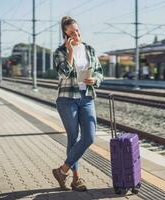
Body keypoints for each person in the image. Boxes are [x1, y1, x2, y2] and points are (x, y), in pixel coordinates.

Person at [52, 16, 103, 191]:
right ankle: (76, 179)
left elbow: (99, 72)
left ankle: (62, 170)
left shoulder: (90, 49)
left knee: (89, 137)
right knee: (73, 139)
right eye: (72, 32)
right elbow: (64, 73)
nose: (77, 34)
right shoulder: (59, 52)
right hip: (67, 100)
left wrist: (94, 80)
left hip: (87, 97)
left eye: (77, 30)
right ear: (65, 35)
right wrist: (71, 52)